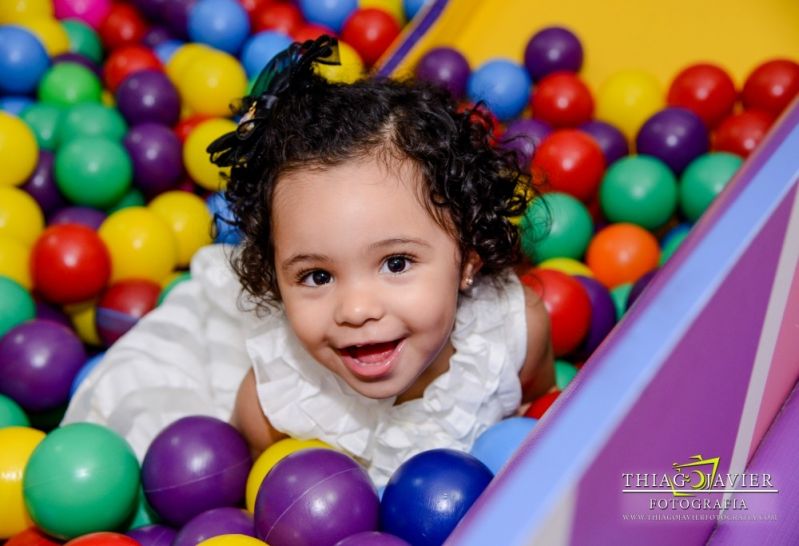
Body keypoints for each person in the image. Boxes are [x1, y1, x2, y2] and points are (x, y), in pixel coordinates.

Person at [63, 36, 554, 486]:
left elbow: (541, 407)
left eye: (397, 263)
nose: (356, 309)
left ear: (467, 259)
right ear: (277, 281)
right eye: (317, 276)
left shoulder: (515, 333)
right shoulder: (275, 407)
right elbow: (265, 504)